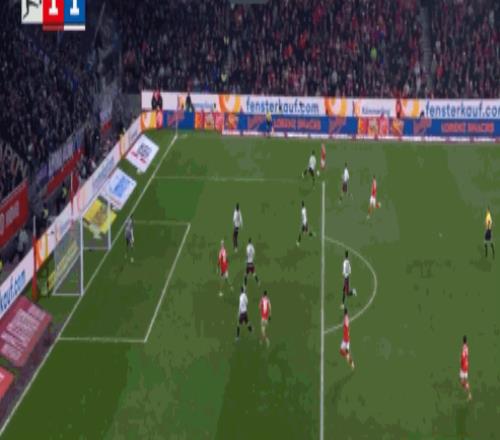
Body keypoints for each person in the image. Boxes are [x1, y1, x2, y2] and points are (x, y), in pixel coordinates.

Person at [460, 335, 472, 401]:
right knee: (464, 380)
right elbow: (467, 355)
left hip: (463, 366)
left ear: (463, 341)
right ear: (466, 341)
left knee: (463, 381)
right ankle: (466, 388)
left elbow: (463, 357)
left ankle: (469, 394)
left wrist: (461, 363)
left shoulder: (463, 347)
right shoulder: (467, 347)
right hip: (466, 365)